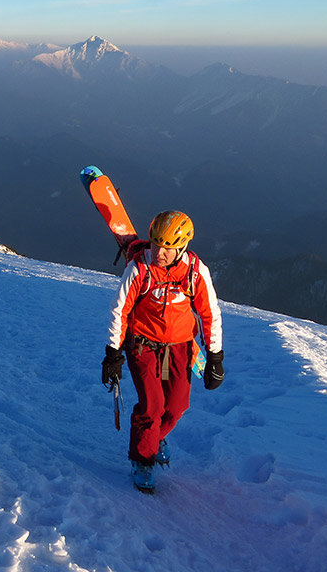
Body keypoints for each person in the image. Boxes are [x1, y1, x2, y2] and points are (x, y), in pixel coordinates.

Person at [101, 210, 224, 492]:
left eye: (167, 248)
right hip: (142, 345)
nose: (159, 253)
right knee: (152, 406)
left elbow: (210, 314)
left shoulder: (195, 272)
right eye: (156, 244)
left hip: (181, 346)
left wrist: (215, 356)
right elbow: (119, 311)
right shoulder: (139, 268)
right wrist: (113, 354)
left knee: (177, 406)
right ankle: (142, 459)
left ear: (182, 247)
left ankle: (154, 437)